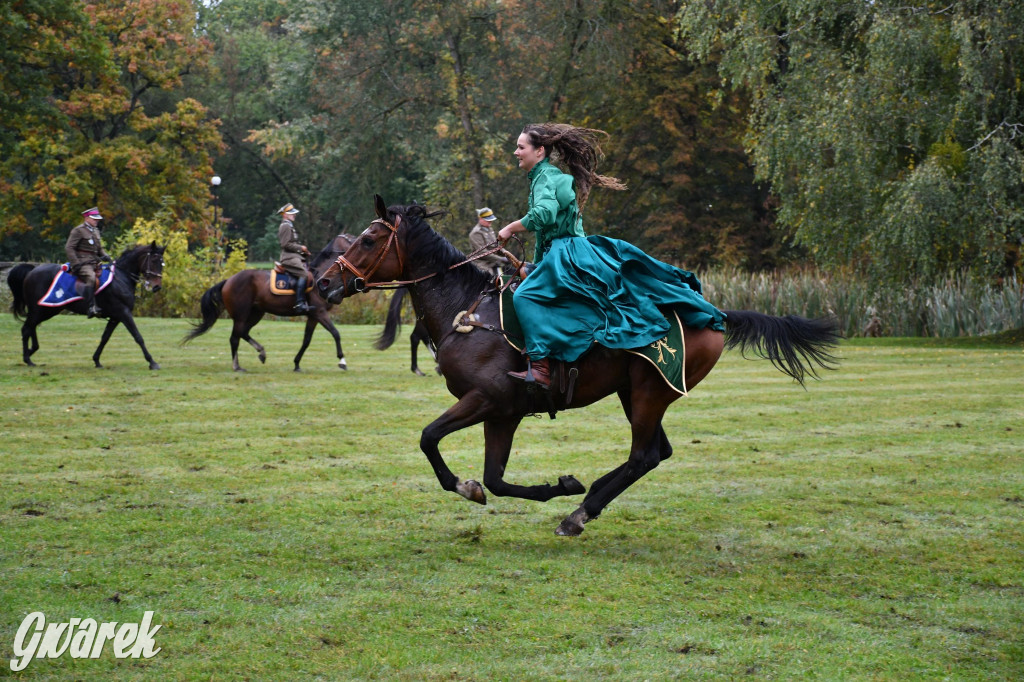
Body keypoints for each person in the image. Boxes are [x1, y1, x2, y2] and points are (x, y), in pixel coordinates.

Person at [497, 123, 726, 389]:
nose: (516, 152)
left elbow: (544, 215)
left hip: (566, 252)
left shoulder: (546, 177)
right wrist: (536, 264)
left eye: (521, 147)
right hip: (565, 251)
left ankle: (540, 368)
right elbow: (547, 232)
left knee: (525, 296)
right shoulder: (546, 176)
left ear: (540, 151)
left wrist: (510, 227)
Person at [65, 207, 111, 318]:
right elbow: (69, 248)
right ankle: (90, 307)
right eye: (94, 218)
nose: (97, 221)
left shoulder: (95, 230)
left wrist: (105, 256)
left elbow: (99, 248)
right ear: (86, 218)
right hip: (83, 263)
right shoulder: (78, 230)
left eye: (97, 219)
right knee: (91, 278)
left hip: (95, 262)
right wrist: (75, 263)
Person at [277, 203, 312, 313]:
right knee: (304, 274)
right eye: (292, 214)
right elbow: (285, 244)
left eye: (294, 213)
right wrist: (301, 247)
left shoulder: (289, 225)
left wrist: (304, 252)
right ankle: (299, 303)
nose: (294, 215)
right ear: (285, 215)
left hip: (294, 256)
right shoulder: (285, 226)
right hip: (288, 258)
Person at [468, 207, 507, 278]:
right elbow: (483, 253)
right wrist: (500, 259)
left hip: (494, 262)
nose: (490, 222)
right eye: (488, 220)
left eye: (491, 220)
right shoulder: (476, 233)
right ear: (480, 219)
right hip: (483, 264)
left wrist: (506, 253)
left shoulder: (489, 229)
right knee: (490, 281)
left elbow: (496, 246)